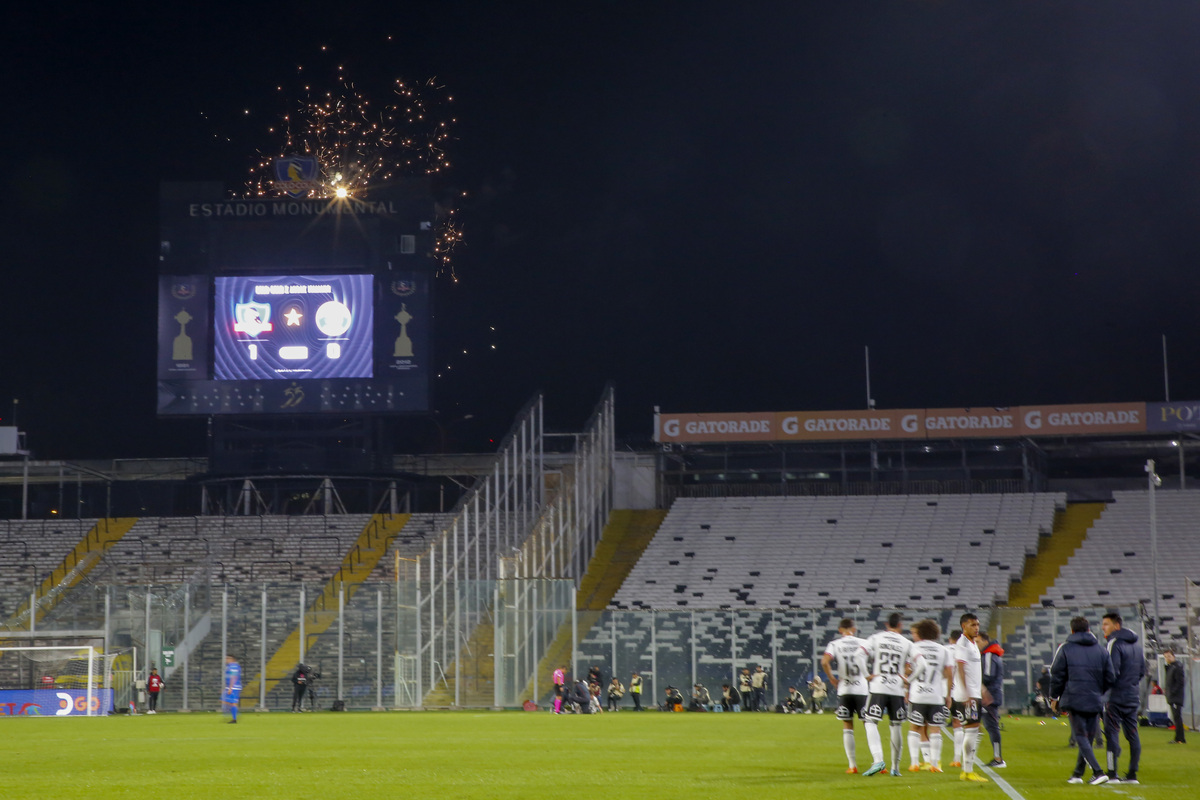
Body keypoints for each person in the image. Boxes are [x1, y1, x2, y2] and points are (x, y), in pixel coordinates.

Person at [1050, 616, 1115, 785]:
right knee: (1088, 736)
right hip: (1094, 698)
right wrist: (1098, 691)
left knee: (1080, 736)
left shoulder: (1065, 648)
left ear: (1072, 631)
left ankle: (1098, 772)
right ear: (1088, 630)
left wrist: (1054, 697)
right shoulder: (1101, 650)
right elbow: (1110, 676)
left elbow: (1057, 675)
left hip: (1074, 697)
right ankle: (1077, 773)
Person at [862, 611, 913, 778]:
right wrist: (908, 679)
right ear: (900, 625)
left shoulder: (876, 638)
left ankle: (878, 760)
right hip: (897, 689)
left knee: (870, 722)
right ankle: (895, 768)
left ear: (886, 625)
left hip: (878, 686)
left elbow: (858, 655)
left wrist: (866, 674)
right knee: (896, 726)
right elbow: (922, 663)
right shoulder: (906, 642)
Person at [822, 617, 871, 774]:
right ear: (854, 629)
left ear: (839, 630)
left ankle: (852, 765)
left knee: (848, 726)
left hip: (845, 689)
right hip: (862, 688)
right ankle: (878, 762)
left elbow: (824, 662)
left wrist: (832, 679)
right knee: (869, 725)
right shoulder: (863, 642)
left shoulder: (835, 644)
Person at [1102, 612, 1145, 782]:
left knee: (1112, 734)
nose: (1103, 627)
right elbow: (1142, 672)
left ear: (1116, 626)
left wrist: (1104, 692)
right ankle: (1132, 774)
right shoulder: (1137, 646)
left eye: (1106, 624)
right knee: (1133, 734)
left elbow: (1111, 672)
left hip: (1115, 698)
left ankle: (1112, 774)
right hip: (1132, 697)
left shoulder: (1114, 643)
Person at [906, 618, 951, 773]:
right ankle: (934, 764)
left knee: (914, 728)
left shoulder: (913, 647)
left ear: (920, 632)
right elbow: (949, 674)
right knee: (935, 730)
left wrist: (908, 681)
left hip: (917, 695)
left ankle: (914, 763)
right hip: (936, 695)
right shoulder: (943, 650)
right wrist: (949, 695)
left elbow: (907, 670)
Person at [952, 613, 988, 782]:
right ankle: (967, 770)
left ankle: (967, 769)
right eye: (973, 624)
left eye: (977, 624)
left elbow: (971, 671)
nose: (976, 628)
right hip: (967, 694)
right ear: (963, 626)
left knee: (974, 729)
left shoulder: (972, 644)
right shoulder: (963, 644)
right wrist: (967, 692)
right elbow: (960, 668)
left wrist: (981, 688)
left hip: (973, 692)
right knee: (972, 729)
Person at [978, 631, 1006, 767]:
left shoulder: (989, 655)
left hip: (989, 696)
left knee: (992, 727)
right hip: (991, 694)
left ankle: (998, 758)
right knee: (990, 726)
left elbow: (987, 676)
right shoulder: (990, 654)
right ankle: (997, 757)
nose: (976, 645)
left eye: (978, 642)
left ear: (985, 641)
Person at [1164, 650, 1187, 743]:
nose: (1167, 658)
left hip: (1176, 697)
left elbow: (1180, 682)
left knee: (1177, 717)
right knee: (1176, 717)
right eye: (1165, 657)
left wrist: (1172, 692)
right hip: (1172, 696)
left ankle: (1180, 738)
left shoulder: (1177, 667)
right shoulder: (1171, 667)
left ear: (1173, 656)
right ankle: (1178, 738)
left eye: (1169, 656)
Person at [223, 654, 242, 724]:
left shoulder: (233, 666)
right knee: (229, 702)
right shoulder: (230, 666)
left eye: (228, 658)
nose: (226, 659)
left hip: (234, 687)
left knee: (233, 703)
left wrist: (230, 688)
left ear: (232, 659)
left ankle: (235, 718)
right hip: (231, 687)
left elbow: (233, 677)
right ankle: (235, 716)